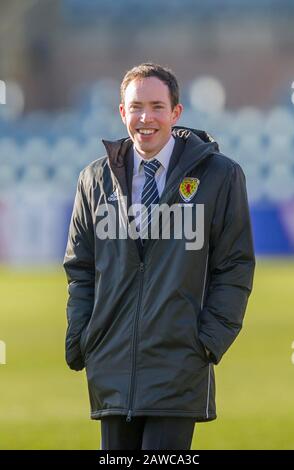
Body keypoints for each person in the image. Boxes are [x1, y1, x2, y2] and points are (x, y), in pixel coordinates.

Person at [63, 63, 255, 450]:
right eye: (136, 107)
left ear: (176, 113)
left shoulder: (219, 176)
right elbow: (80, 268)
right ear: (122, 112)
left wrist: (207, 341)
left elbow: (234, 266)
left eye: (156, 106)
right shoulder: (93, 180)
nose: (145, 118)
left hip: (179, 363)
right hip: (111, 363)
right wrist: (84, 337)